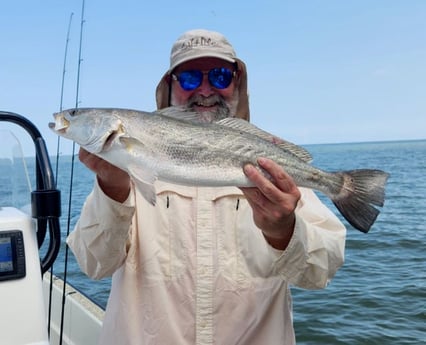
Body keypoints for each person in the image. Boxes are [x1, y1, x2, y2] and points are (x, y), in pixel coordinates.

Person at [67, 29, 346, 345]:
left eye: (220, 76)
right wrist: (111, 188)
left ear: (236, 84)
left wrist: (285, 232)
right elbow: (94, 265)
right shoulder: (125, 166)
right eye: (188, 78)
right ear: (170, 87)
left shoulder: (272, 167)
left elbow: (321, 272)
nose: (205, 90)